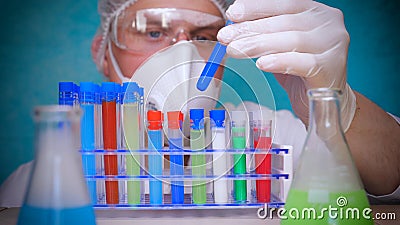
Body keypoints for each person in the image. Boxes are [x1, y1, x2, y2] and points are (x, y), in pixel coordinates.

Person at [0, 0, 399, 207]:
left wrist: (334, 108)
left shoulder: (281, 138)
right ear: (103, 53)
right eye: (153, 32)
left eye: (205, 35)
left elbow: (391, 182)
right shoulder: (43, 181)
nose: (183, 52)